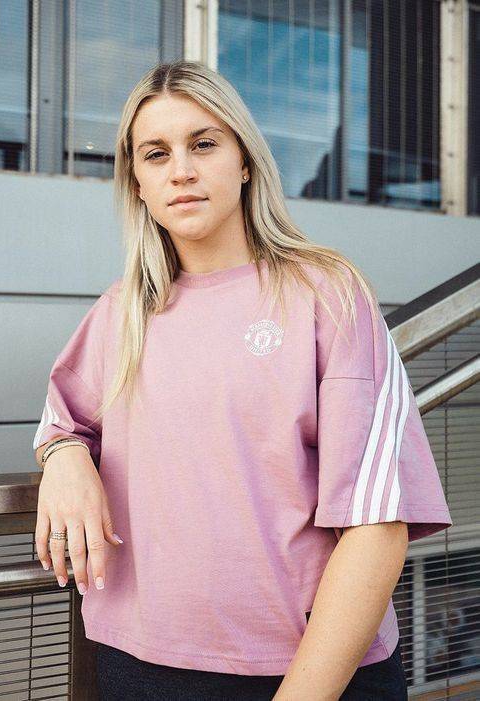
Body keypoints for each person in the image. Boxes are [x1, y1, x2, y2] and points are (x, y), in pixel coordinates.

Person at [32, 60, 453, 700]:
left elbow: (377, 523)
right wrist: (64, 459)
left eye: (204, 144)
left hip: (309, 671)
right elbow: (64, 420)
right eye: (156, 154)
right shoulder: (122, 312)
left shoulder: (329, 294)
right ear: (138, 183)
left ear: (245, 162)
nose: (181, 171)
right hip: (139, 666)